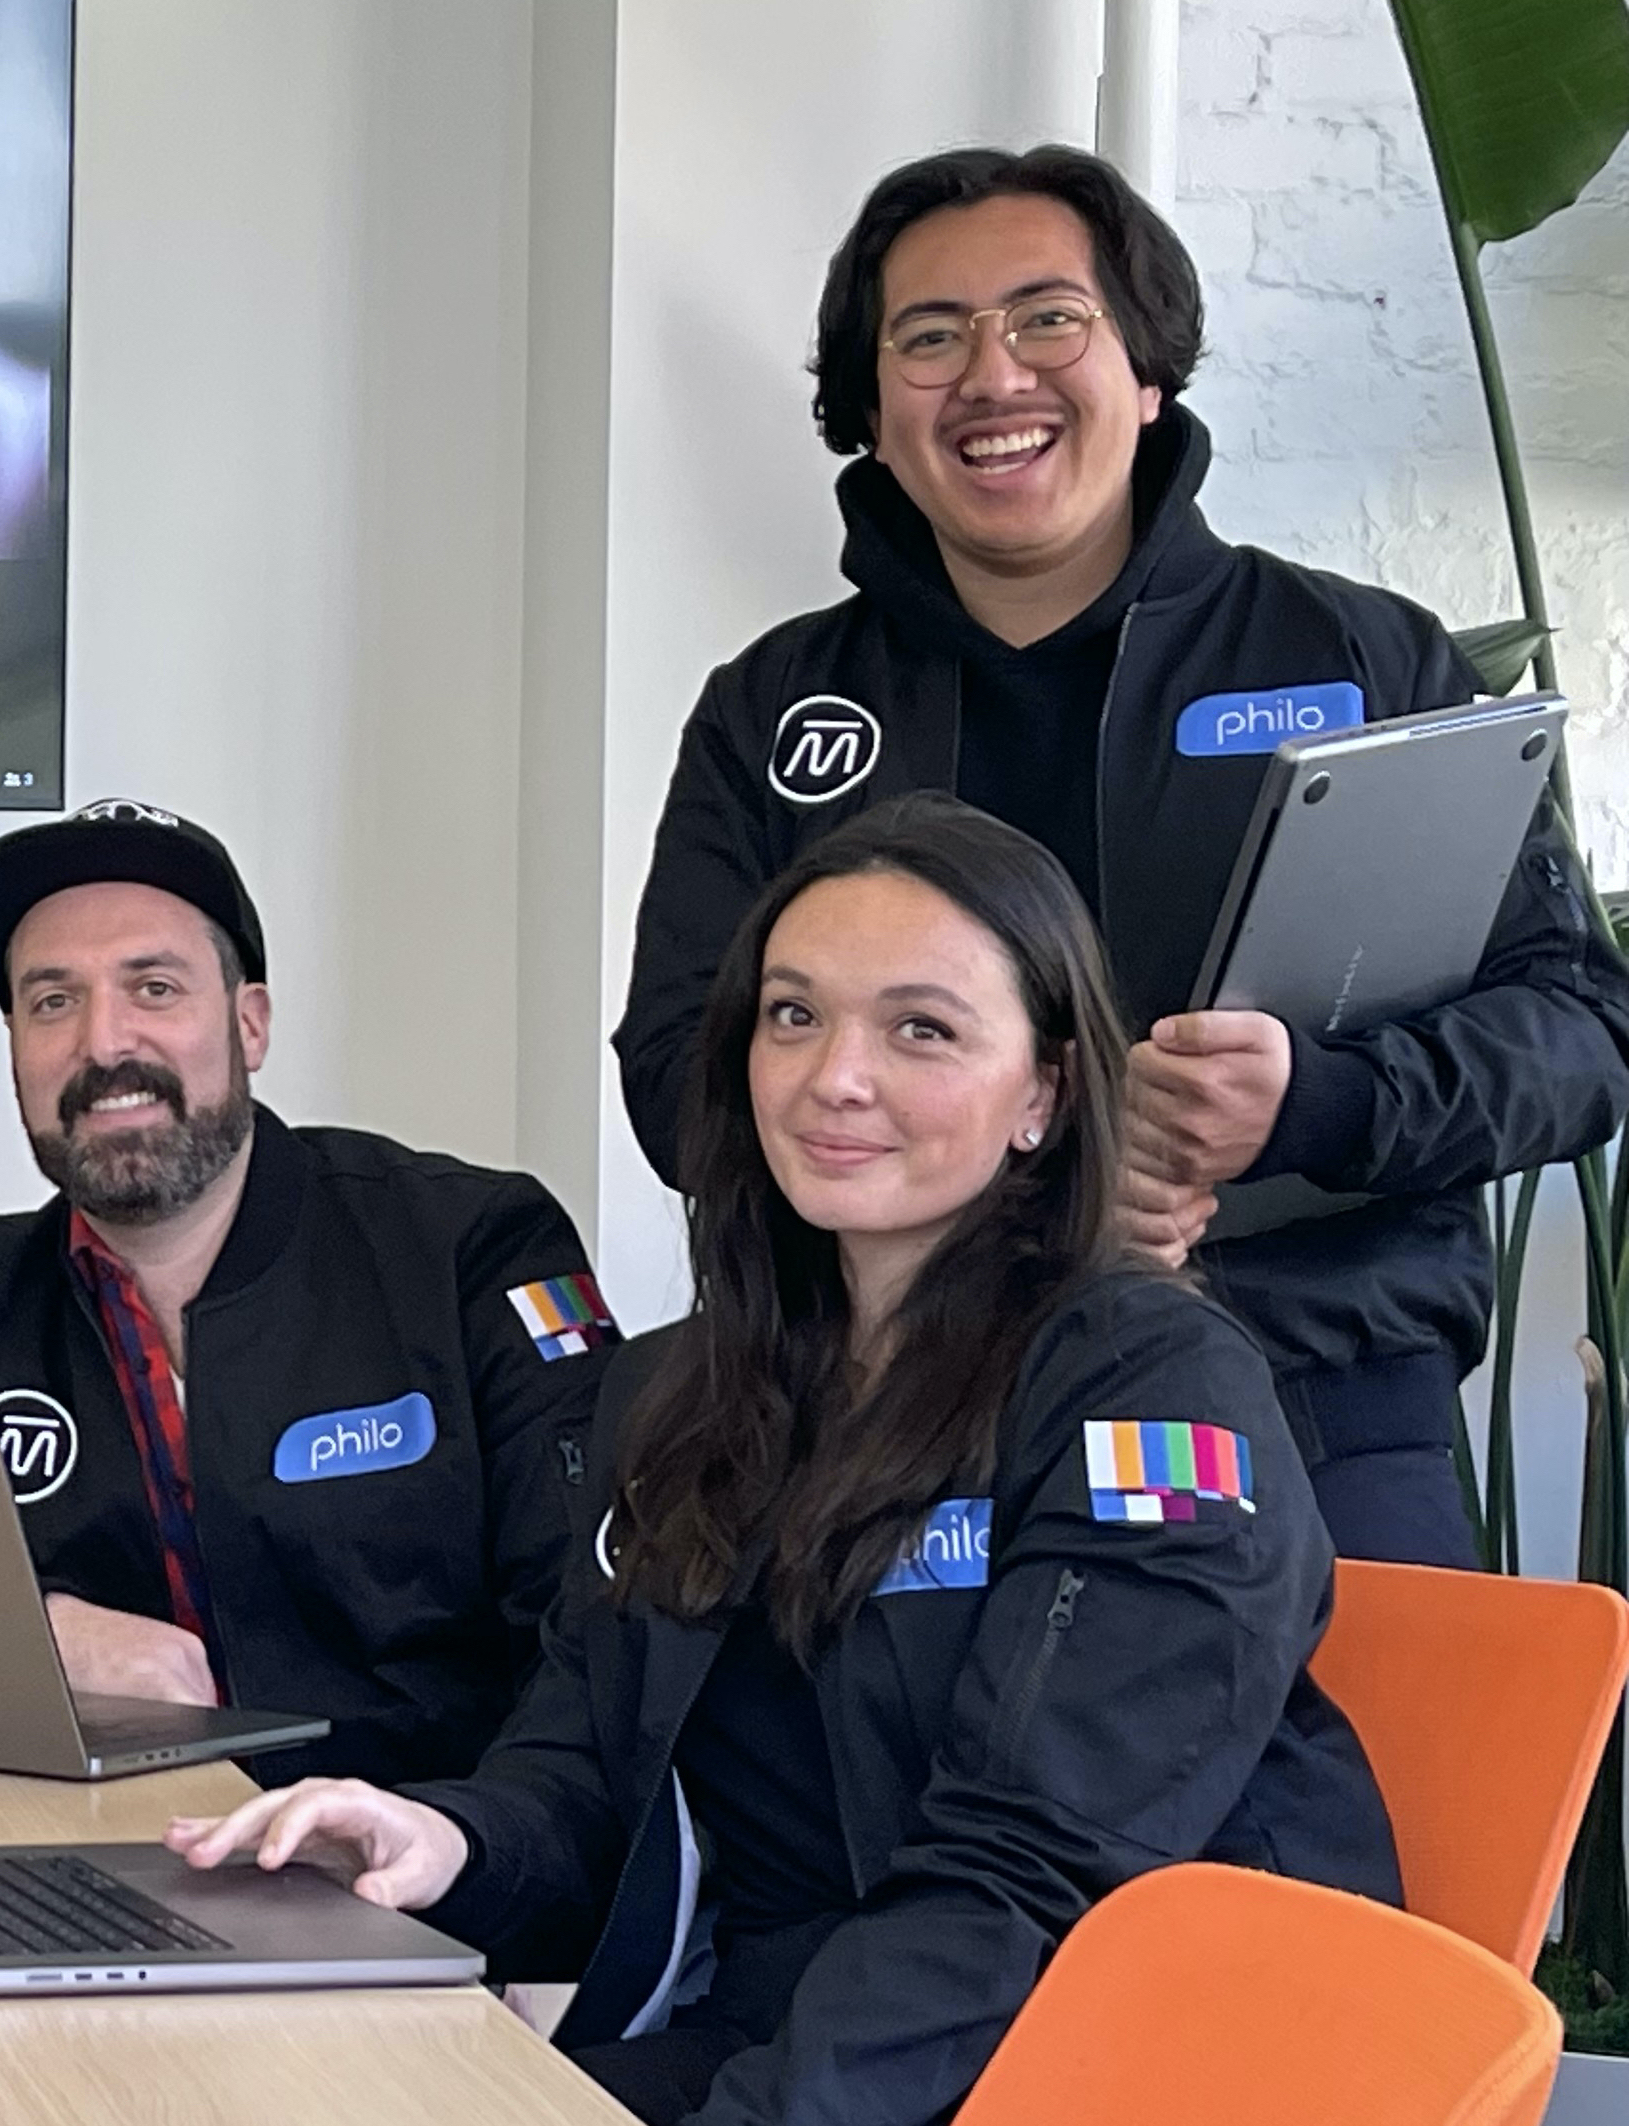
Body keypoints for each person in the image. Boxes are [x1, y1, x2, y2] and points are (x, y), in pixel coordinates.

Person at [179, 798, 1397, 2126]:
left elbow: (1030, 1881)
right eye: (792, 1015)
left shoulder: (1148, 1386)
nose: (833, 1078)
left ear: (1044, 1095)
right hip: (799, 2046)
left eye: (920, 1030)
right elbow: (581, 1765)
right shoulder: (678, 1391)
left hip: (1123, 2080)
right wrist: (438, 1844)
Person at [615, 144, 1629, 1567]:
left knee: (1363, 1796)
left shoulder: (1360, 660)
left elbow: (1577, 1031)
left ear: (1145, 371)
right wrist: (1042, 1183)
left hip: (1319, 1405)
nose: (991, 375)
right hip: (893, 1416)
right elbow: (679, 1079)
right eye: (927, 337)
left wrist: (1314, 1105)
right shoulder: (776, 711)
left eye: (1046, 318)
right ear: (868, 415)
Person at [0, 800, 604, 1787]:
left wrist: (462, 1851)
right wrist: (44, 1637)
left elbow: (597, 1643)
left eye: (153, 988)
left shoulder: (472, 1251)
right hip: (108, 1875)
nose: (102, 1042)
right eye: (51, 1001)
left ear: (250, 1024)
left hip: (443, 1888)